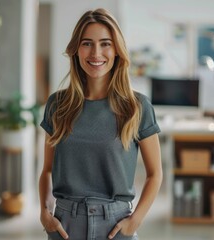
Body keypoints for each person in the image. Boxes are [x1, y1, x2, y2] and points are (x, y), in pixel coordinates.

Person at [39, 8, 162, 240]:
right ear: (76, 50)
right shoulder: (57, 104)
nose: (96, 52)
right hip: (64, 226)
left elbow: (155, 174)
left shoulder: (137, 107)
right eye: (87, 43)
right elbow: (46, 170)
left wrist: (135, 221)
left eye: (105, 43)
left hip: (116, 226)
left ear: (116, 50)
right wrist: (45, 213)